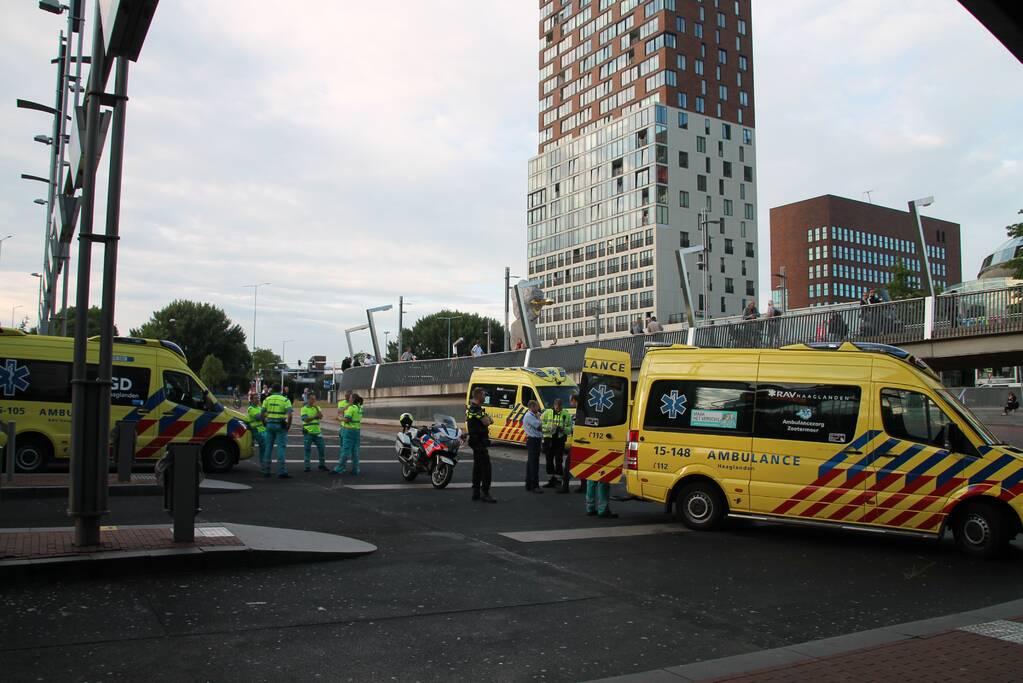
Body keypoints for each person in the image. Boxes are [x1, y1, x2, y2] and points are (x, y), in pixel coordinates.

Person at [466, 388, 497, 503]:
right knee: (486, 468)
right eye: (484, 395)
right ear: (479, 396)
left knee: (477, 468)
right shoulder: (476, 409)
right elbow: (488, 421)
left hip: (475, 441)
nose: (485, 397)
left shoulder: (472, 408)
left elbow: (488, 420)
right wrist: (487, 419)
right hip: (479, 441)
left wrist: (487, 419)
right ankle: (485, 492)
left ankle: (476, 492)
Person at [260, 384, 293, 478]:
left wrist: (264, 422)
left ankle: (266, 470)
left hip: (269, 424)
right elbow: (290, 415)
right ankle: (281, 471)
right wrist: (288, 425)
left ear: (272, 390)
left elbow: (262, 413)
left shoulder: (267, 399)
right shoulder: (285, 400)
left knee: (268, 447)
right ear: (281, 390)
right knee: (281, 448)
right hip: (280, 425)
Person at [541, 398, 571, 488]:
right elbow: (540, 424)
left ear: (562, 406)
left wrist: (563, 429)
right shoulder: (547, 412)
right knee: (549, 460)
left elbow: (570, 429)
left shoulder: (566, 414)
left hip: (559, 439)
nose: (558, 408)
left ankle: (558, 481)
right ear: (554, 405)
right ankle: (551, 480)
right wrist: (549, 427)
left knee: (558, 460)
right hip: (549, 439)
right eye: (557, 406)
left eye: (560, 407)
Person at [335, 393, 364, 475]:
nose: (349, 399)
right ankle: (355, 469)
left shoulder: (351, 408)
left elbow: (347, 419)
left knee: (345, 450)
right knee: (355, 451)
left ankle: (339, 468)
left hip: (348, 430)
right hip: (357, 430)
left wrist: (340, 418)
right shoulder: (359, 407)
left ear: (352, 399)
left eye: (350, 397)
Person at [559, 393, 579, 494]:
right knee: (581, 464)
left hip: (577, 442)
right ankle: (584, 486)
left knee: (568, 465)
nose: (570, 402)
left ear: (574, 400)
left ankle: (565, 486)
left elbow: (574, 428)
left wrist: (566, 429)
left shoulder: (578, 413)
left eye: (571, 400)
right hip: (580, 441)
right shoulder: (582, 411)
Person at [301, 394, 327, 472]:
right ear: (308, 399)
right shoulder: (304, 408)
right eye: (312, 399)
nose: (314, 401)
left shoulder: (317, 407)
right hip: (308, 432)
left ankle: (322, 465)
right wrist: (315, 417)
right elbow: (305, 419)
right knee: (307, 449)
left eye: (314, 399)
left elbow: (321, 416)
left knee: (322, 448)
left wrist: (317, 410)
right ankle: (307, 466)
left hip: (317, 432)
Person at [523, 400, 544, 492]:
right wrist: (540, 418)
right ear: (532, 407)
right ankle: (534, 485)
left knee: (531, 463)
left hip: (535, 440)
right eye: (537, 406)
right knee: (534, 464)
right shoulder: (529, 416)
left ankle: (529, 484)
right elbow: (540, 427)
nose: (538, 408)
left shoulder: (533, 415)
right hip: (533, 440)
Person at [245, 392, 265, 463]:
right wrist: (265, 413)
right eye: (255, 398)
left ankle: (264, 463)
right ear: (251, 400)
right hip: (256, 430)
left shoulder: (259, 408)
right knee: (264, 446)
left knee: (265, 447)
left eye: (258, 398)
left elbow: (264, 416)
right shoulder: (250, 409)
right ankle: (264, 464)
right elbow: (259, 417)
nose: (257, 399)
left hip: (263, 430)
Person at [336, 390, 353, 464]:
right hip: (343, 427)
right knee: (343, 445)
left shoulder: (355, 403)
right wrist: (349, 405)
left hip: (353, 428)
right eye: (346, 396)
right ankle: (342, 459)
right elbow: (340, 411)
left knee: (352, 446)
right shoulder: (341, 403)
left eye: (348, 396)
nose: (346, 397)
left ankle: (350, 459)